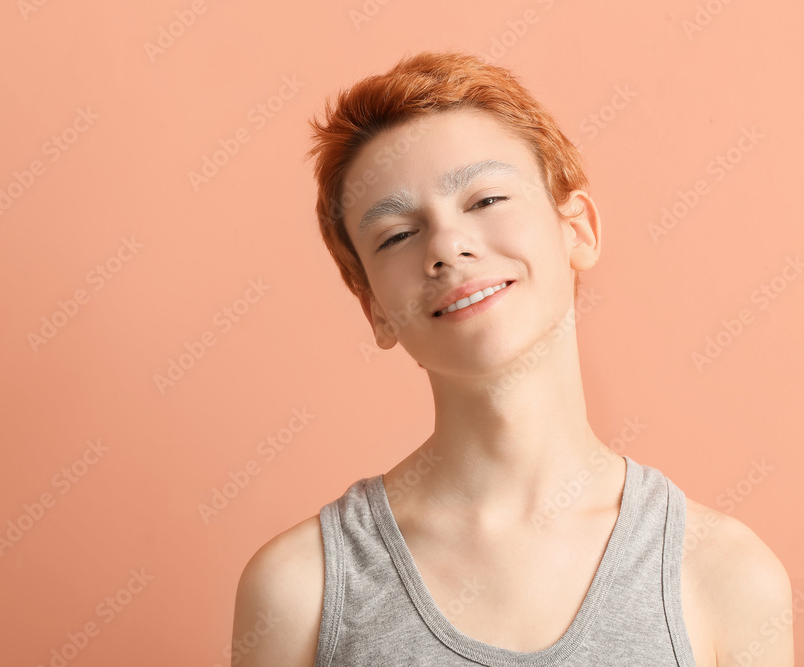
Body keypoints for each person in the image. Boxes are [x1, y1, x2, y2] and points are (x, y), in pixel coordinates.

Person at [231, 50, 793, 666]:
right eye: (396, 235)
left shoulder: (723, 576)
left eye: (487, 200)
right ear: (375, 310)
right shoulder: (299, 590)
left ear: (577, 230)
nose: (446, 245)